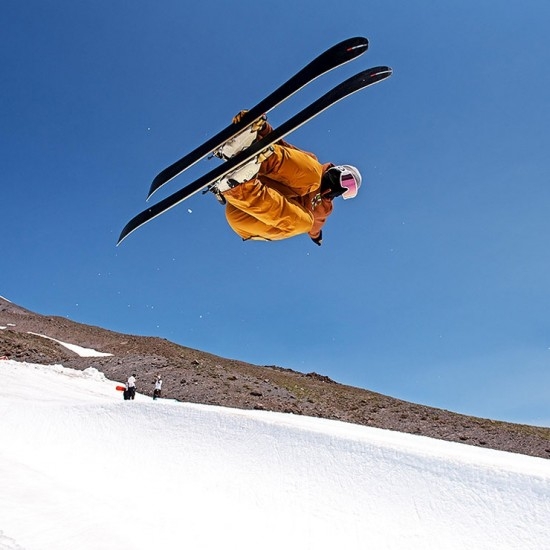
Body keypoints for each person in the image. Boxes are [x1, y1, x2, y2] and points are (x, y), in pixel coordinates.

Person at [210, 111, 362, 246]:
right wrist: (261, 128)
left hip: (247, 216)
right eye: (348, 181)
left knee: (306, 224)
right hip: (262, 177)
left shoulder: (325, 209)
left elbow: (315, 228)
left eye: (349, 191)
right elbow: (282, 145)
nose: (344, 189)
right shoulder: (312, 166)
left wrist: (317, 237)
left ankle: (237, 186)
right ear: (338, 170)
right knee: (314, 176)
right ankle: (250, 151)